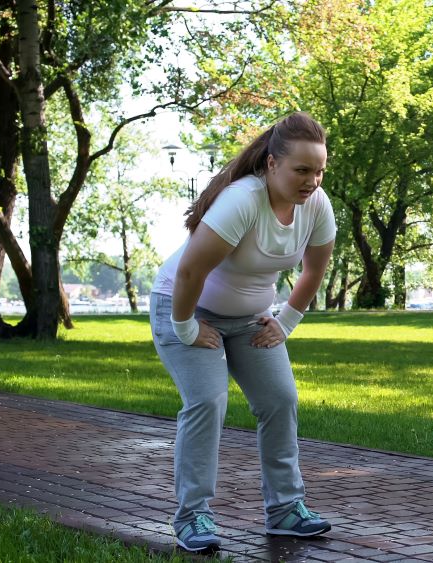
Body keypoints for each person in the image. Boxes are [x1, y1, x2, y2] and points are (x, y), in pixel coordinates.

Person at [149, 112, 336, 553]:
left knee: (280, 399)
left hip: (250, 319)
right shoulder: (243, 200)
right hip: (186, 306)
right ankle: (192, 516)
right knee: (208, 401)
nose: (312, 180)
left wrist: (286, 322)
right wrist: (185, 328)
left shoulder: (316, 205)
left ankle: (286, 510)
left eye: (320, 170)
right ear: (272, 164)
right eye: (302, 170)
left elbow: (315, 269)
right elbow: (191, 269)